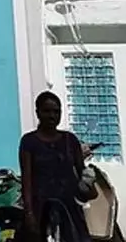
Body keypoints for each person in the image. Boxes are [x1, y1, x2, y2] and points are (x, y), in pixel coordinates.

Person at [19, 91, 89, 239]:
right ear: (37, 112)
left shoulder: (70, 140)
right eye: (47, 111)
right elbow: (27, 180)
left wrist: (88, 182)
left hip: (69, 210)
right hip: (41, 210)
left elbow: (82, 173)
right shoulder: (29, 142)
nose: (52, 116)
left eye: (56, 112)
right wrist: (29, 214)